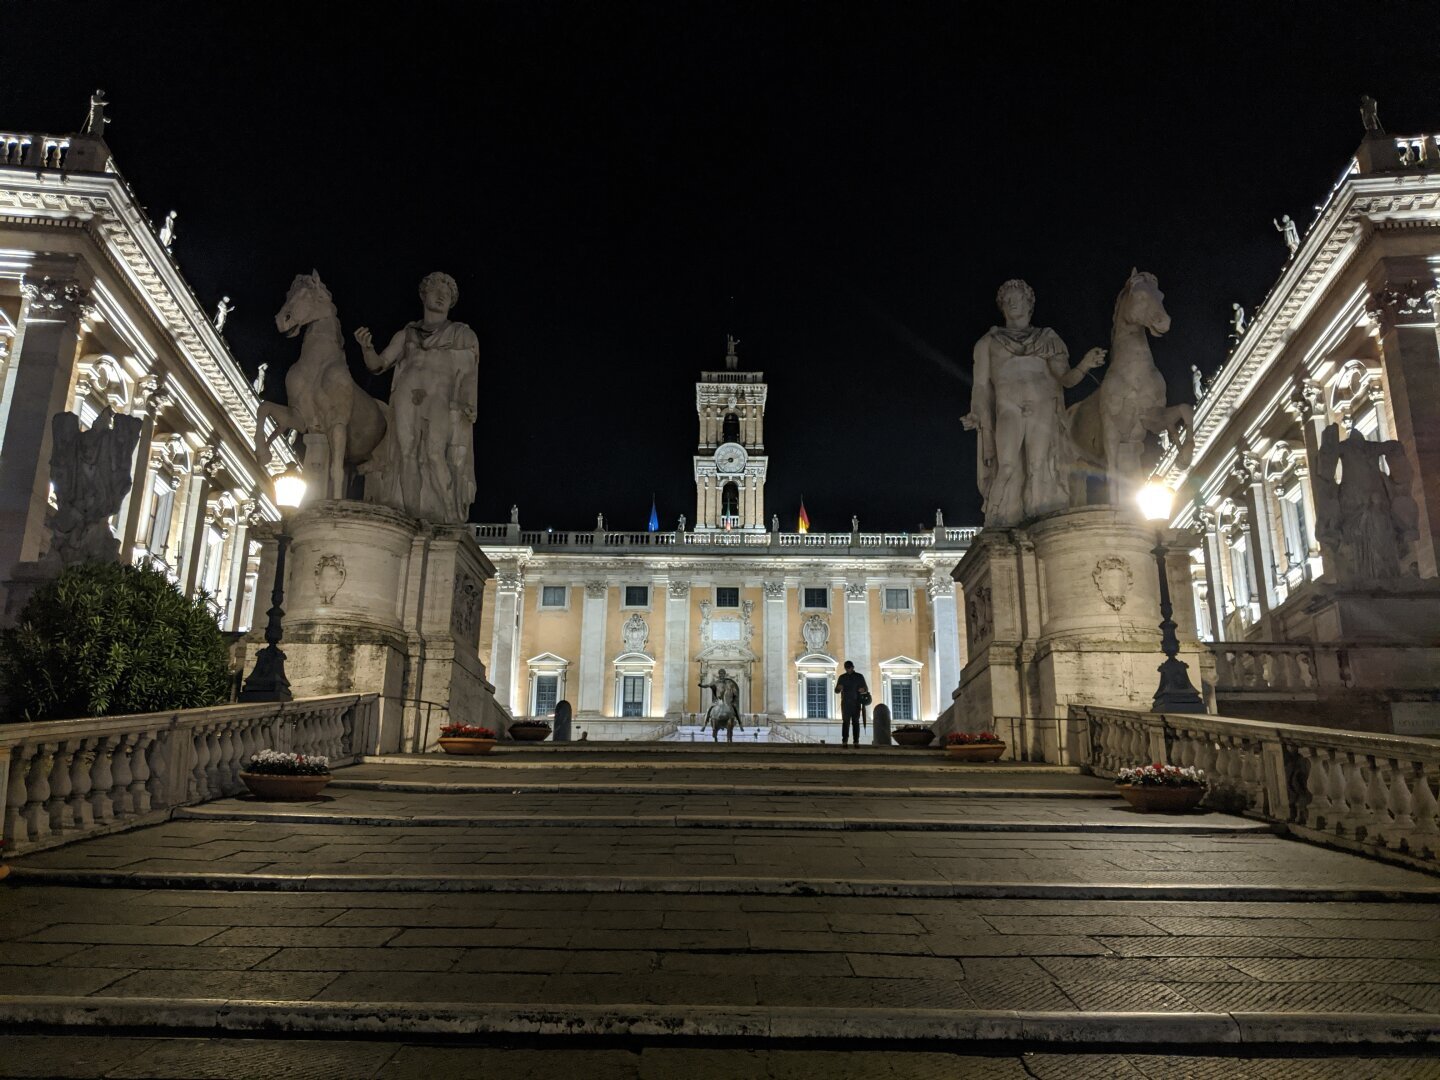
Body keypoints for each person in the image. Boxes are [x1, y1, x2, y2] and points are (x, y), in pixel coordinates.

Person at [961, 279, 1105, 527]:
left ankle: (1039, 523)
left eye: (1017, 298)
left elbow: (1066, 379)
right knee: (1006, 466)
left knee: (1040, 466)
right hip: (1008, 408)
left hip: (1042, 407)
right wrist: (976, 412)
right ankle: (994, 520)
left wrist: (1084, 365)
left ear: (1029, 303)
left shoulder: (1048, 338)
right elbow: (981, 386)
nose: (1012, 303)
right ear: (1001, 306)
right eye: (1007, 299)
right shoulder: (988, 343)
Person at [355, 272, 478, 523]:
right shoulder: (407, 334)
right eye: (436, 290)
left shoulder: (461, 334)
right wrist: (367, 348)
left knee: (435, 453)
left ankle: (450, 517)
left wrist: (468, 403)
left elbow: (469, 374)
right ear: (424, 295)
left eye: (447, 294)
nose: (441, 296)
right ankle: (410, 519)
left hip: (439, 396)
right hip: (406, 393)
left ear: (452, 301)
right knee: (406, 453)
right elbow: (378, 364)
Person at [833, 660, 870, 747]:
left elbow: (866, 688)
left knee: (855, 722)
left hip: (856, 703)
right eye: (846, 668)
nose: (848, 669)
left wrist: (863, 689)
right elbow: (836, 691)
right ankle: (844, 741)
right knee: (845, 722)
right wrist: (838, 688)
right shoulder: (842, 677)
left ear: (853, 667)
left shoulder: (859, 676)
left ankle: (856, 741)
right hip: (845, 703)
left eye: (849, 668)